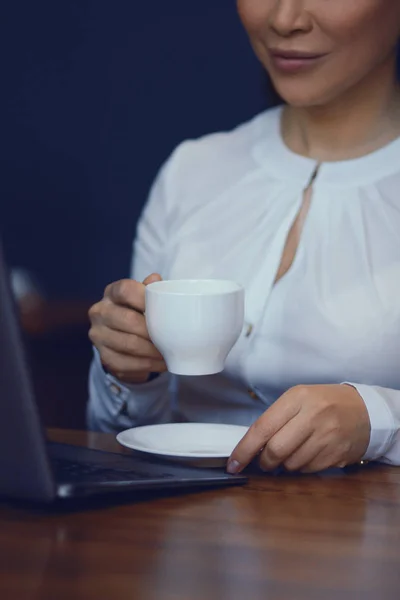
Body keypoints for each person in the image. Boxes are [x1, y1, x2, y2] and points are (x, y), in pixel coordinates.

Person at [88, 1, 400, 473]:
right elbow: (115, 438)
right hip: (176, 532)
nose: (284, 19)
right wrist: (130, 372)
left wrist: (379, 421)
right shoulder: (193, 171)